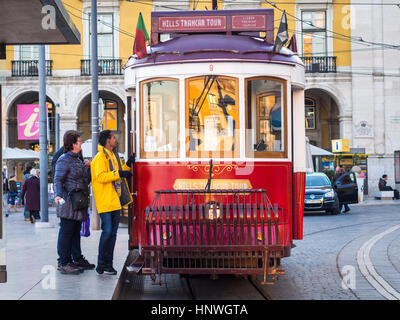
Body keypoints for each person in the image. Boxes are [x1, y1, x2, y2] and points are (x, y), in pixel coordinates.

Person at [91, 130, 134, 275]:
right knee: (108, 231)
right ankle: (101, 263)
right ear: (107, 141)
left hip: (114, 200)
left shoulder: (113, 156)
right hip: (105, 201)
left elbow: (119, 171)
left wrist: (128, 164)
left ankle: (108, 264)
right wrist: (119, 174)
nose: (116, 139)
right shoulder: (99, 158)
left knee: (113, 233)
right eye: (113, 137)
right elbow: (101, 177)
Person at [54, 130, 95, 275]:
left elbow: (84, 180)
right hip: (68, 202)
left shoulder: (77, 159)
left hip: (78, 202)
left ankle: (75, 259)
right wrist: (58, 195)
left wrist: (87, 169)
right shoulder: (64, 159)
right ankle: (64, 262)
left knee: (75, 232)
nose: (81, 142)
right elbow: (58, 179)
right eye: (79, 140)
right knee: (67, 232)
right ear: (72, 143)